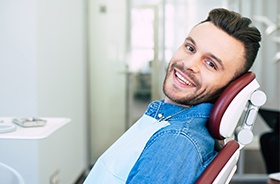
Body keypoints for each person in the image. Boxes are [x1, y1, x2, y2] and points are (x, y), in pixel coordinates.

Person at [84, 8, 261, 183]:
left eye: (211, 64)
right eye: (190, 48)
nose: (189, 64)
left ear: (229, 88)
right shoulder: (171, 122)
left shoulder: (176, 140)